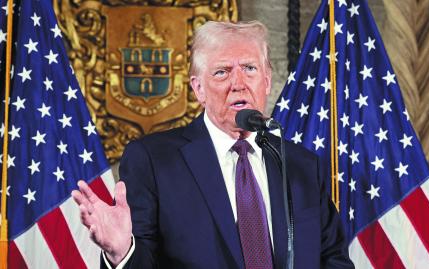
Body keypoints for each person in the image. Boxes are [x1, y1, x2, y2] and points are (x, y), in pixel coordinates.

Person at [72, 20, 354, 269]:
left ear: (267, 81)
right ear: (198, 89)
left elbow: (333, 258)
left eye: (250, 68)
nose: (238, 83)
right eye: (222, 72)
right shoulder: (154, 160)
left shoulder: (300, 164)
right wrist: (122, 251)